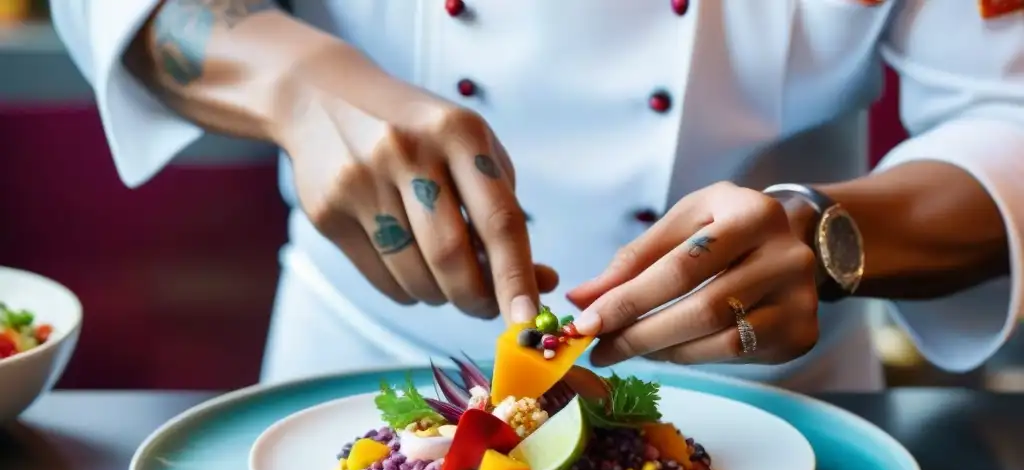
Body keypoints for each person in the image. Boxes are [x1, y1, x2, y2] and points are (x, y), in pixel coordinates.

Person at [51, 0, 1023, 391]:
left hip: (778, 421)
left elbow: (1007, 111)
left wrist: (826, 238)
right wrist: (292, 82)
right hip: (354, 385)